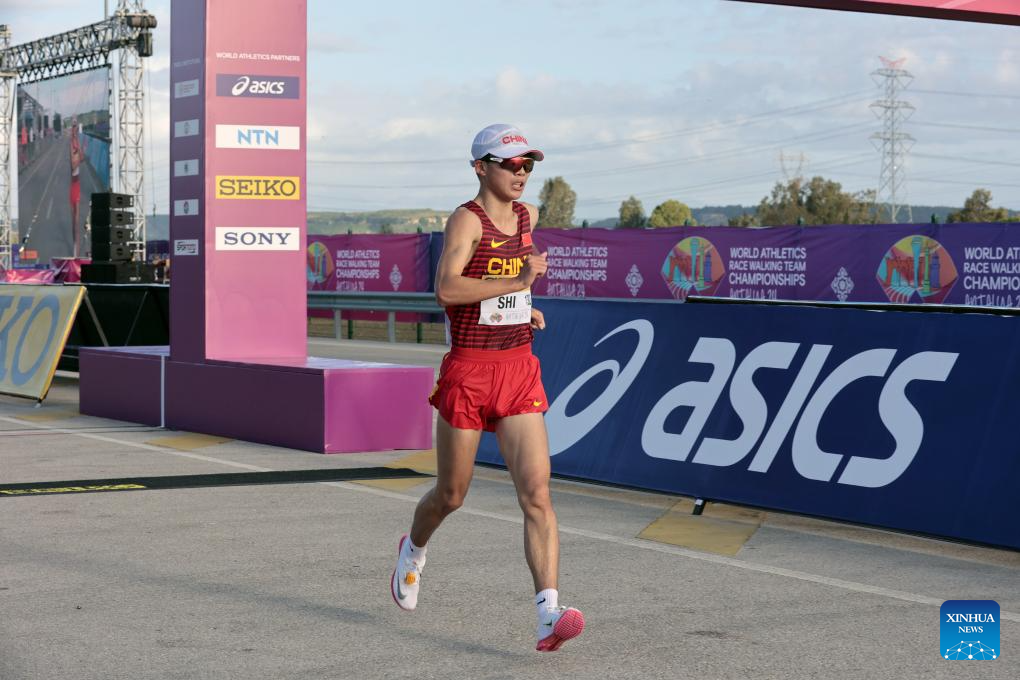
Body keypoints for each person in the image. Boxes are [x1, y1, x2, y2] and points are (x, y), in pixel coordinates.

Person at [390, 124, 585, 652]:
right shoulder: (466, 219)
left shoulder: (527, 217)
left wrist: (524, 308)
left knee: (537, 493)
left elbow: (511, 285)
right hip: (470, 372)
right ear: (481, 167)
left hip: (518, 367)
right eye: (511, 164)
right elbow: (447, 289)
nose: (522, 174)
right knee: (451, 495)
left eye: (528, 165)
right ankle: (414, 549)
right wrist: (517, 283)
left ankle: (548, 613)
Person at [69, 119, 83, 258]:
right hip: (73, 186)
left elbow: (81, 158)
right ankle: (74, 244)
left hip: (77, 186)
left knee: (77, 220)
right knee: (74, 219)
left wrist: (80, 151)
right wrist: (78, 156)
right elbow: (73, 166)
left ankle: (76, 249)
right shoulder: (72, 150)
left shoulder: (76, 146)